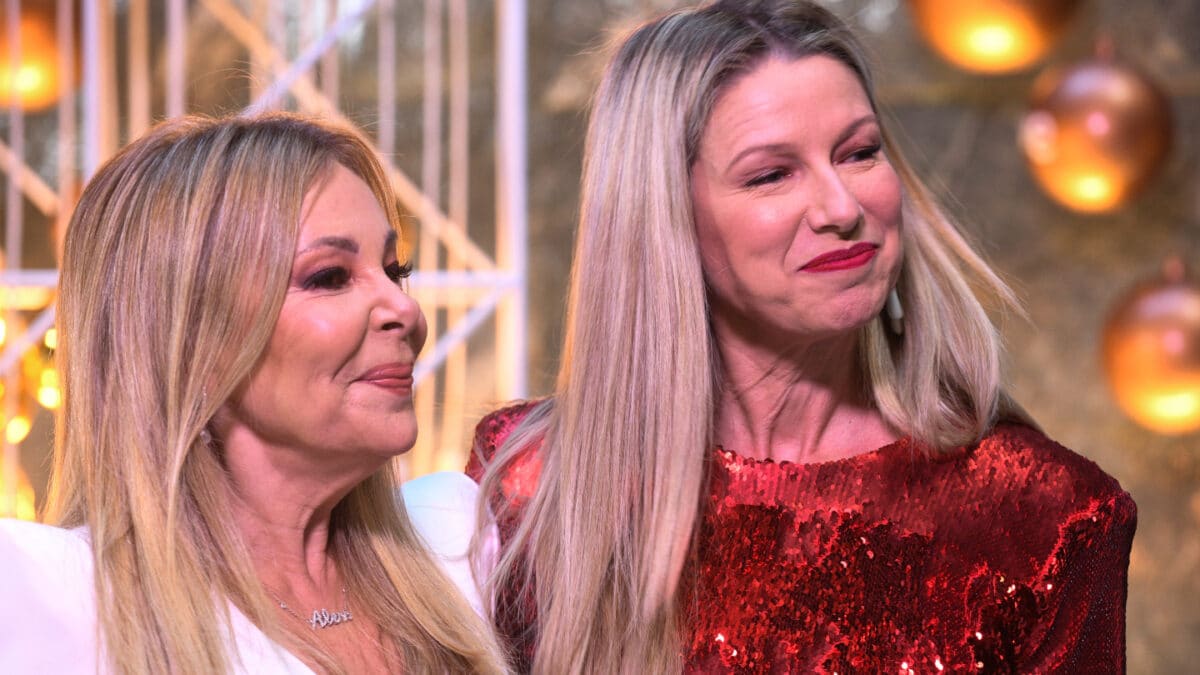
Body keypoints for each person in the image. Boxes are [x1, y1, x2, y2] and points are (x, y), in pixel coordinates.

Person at [467, 1, 1137, 672]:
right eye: (771, 174)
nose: (842, 208)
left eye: (859, 153)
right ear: (664, 217)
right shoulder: (533, 484)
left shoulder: (1043, 514)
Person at [0, 113, 507, 674]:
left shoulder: (457, 546)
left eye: (394, 269)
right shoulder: (55, 599)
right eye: (329, 277)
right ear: (189, 337)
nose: (405, 310)